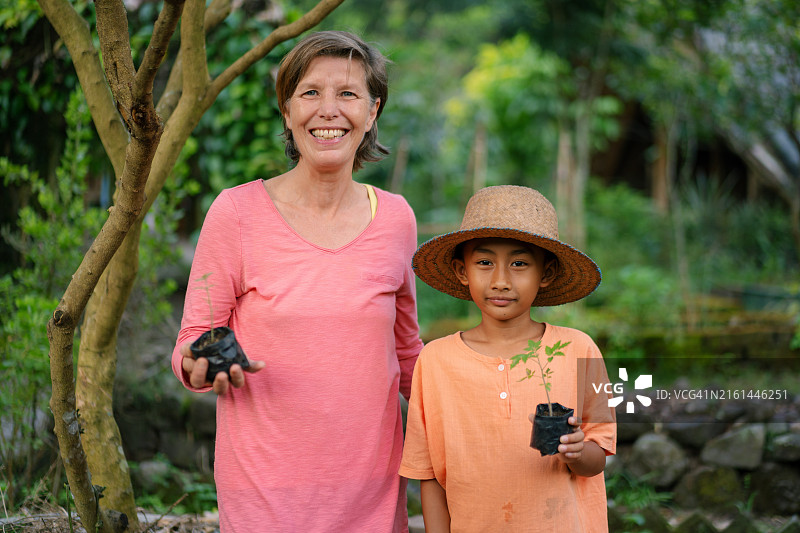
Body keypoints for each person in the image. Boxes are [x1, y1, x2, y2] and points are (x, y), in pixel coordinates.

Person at [172, 31, 423, 532]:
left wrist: (482, 407)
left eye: (347, 93)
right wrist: (200, 367)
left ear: (372, 111)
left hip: (370, 499)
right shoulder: (236, 213)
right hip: (264, 496)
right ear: (287, 111)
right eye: (310, 92)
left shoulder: (397, 218)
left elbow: (407, 354)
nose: (328, 110)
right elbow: (193, 341)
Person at [399, 185, 616, 532]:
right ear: (461, 271)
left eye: (519, 264)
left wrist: (576, 451)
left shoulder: (580, 349)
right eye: (485, 263)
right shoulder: (435, 361)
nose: (500, 281)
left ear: (545, 274)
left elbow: (598, 456)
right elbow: (429, 475)